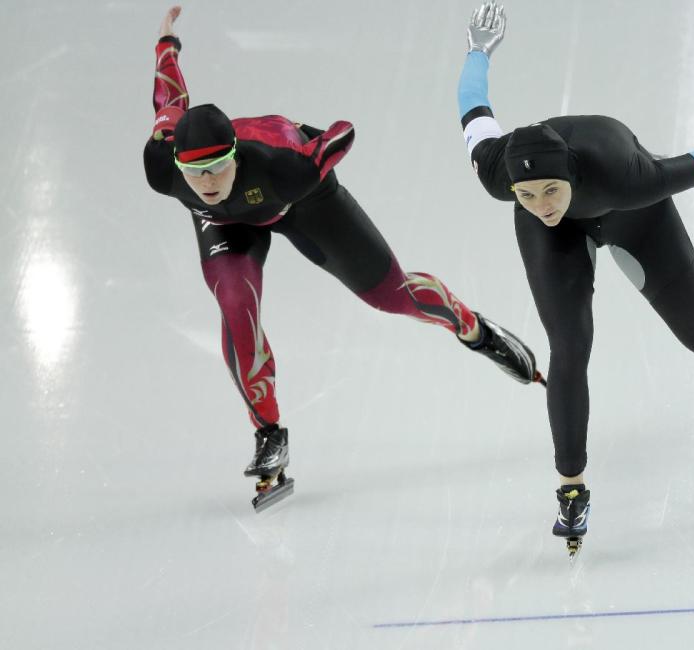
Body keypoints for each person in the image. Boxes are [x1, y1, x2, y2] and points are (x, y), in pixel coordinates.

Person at [143, 6, 544, 511]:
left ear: (235, 157)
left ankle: (475, 329)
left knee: (393, 297)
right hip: (226, 227)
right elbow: (169, 99)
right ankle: (270, 433)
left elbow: (343, 132)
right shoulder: (162, 167)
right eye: (195, 175)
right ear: (177, 166)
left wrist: (320, 144)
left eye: (218, 169)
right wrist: (167, 43)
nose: (208, 184)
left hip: (305, 201)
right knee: (235, 308)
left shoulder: (283, 166)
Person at [457, 2, 694, 555]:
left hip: (634, 216)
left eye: (549, 191)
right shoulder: (501, 175)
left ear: (571, 176)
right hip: (562, 242)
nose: (541, 204)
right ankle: (571, 487)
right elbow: (473, 108)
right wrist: (479, 49)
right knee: (569, 348)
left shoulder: (629, 175)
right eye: (526, 196)